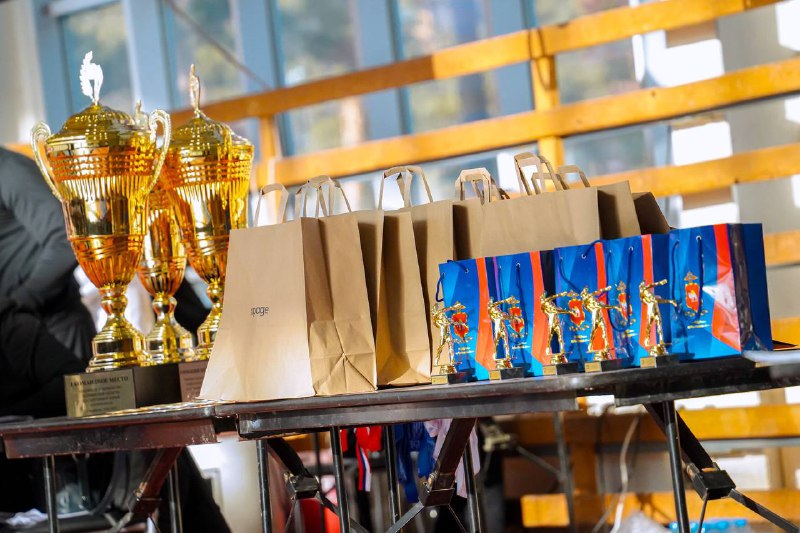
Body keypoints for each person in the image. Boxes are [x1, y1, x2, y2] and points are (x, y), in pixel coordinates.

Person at [0, 147, 95, 364]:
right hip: (14, 338)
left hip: (55, 329)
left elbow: (67, 238)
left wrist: (20, 302)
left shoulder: (10, 169)